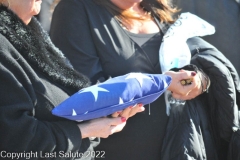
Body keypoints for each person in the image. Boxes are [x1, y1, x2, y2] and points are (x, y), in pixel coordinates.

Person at [50, 0, 240, 159]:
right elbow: (84, 95)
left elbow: (192, 61)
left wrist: (198, 80)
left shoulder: (156, 9)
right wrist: (160, 83)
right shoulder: (74, 9)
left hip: (180, 148)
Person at [0, 0, 155, 159]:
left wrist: (106, 113)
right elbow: (15, 140)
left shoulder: (27, 31)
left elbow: (70, 98)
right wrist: (86, 130)